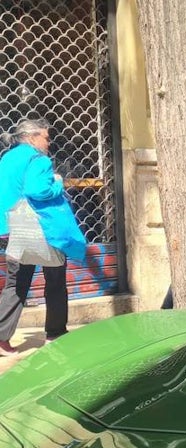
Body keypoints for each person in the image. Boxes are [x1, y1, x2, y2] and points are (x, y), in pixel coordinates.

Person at [0, 119, 87, 355]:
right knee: (56, 280)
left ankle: (1, 337)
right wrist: (58, 183)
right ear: (32, 137)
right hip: (41, 229)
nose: (49, 143)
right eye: (46, 137)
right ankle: (56, 332)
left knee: (16, 283)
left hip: (11, 229)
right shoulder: (38, 159)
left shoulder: (7, 159)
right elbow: (38, 191)